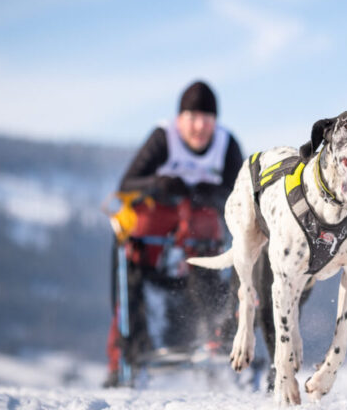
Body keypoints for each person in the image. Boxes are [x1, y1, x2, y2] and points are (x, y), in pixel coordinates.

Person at [104, 81, 243, 388]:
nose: (199, 127)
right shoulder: (162, 138)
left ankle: (220, 335)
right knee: (130, 248)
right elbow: (127, 184)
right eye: (192, 118)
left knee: (211, 232)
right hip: (154, 240)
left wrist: (217, 193)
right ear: (180, 118)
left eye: (207, 119)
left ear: (215, 122)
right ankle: (127, 348)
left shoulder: (226, 144)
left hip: (202, 244)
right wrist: (158, 184)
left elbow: (242, 194)